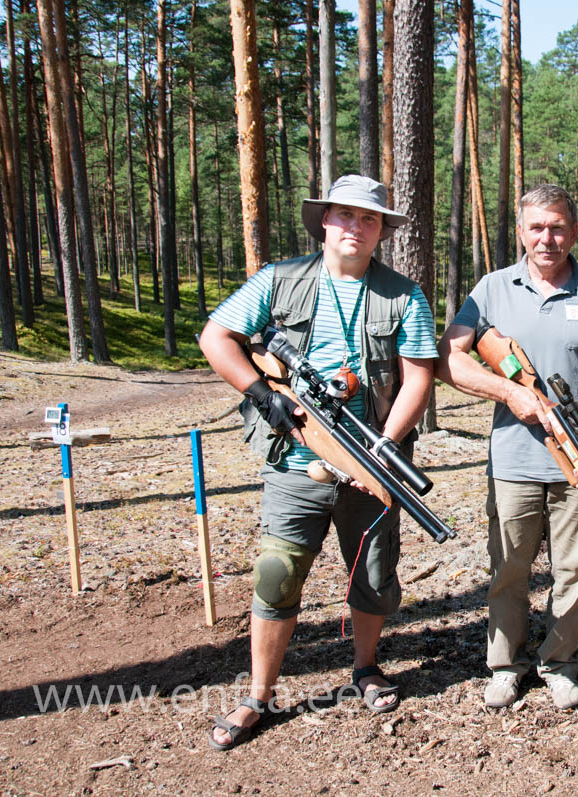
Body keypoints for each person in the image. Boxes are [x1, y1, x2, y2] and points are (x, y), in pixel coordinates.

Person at [199, 174, 437, 749]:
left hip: (372, 460)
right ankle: (259, 694)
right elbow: (216, 337)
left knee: (376, 580)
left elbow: (419, 375)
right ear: (324, 222)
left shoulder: (405, 295)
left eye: (370, 219)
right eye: (346, 216)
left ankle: (365, 668)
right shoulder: (279, 282)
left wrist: (386, 442)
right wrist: (263, 395)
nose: (357, 227)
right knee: (276, 576)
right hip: (292, 463)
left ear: (381, 231)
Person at [437, 184, 578, 710]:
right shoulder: (492, 290)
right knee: (509, 570)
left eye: (559, 227)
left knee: (576, 568)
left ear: (575, 230)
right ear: (521, 232)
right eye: (537, 228)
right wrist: (509, 392)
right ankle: (505, 665)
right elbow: (450, 359)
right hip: (514, 459)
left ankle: (559, 662)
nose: (548, 238)